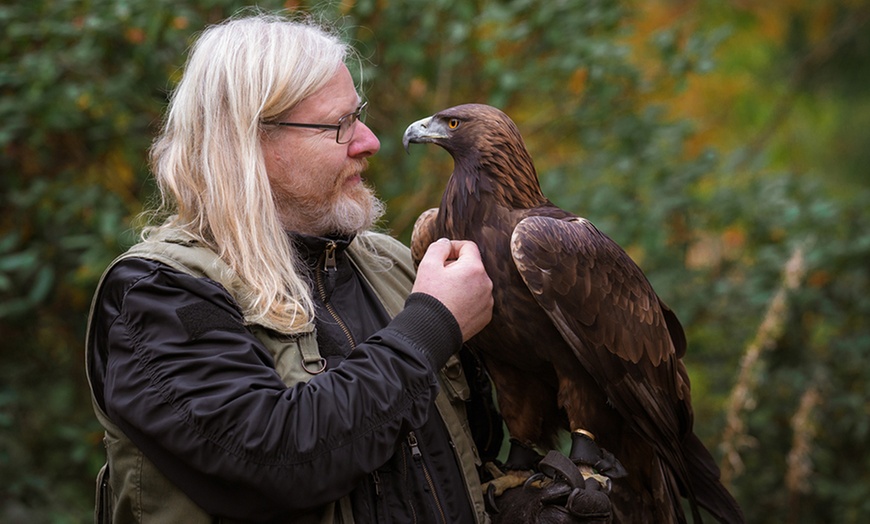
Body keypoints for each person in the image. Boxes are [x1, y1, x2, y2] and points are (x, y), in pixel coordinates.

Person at [85, 11, 611, 523]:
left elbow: (445, 465)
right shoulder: (159, 295)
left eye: (357, 116)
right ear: (250, 142)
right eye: (340, 125)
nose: (370, 142)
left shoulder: (394, 266)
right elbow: (272, 462)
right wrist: (431, 325)